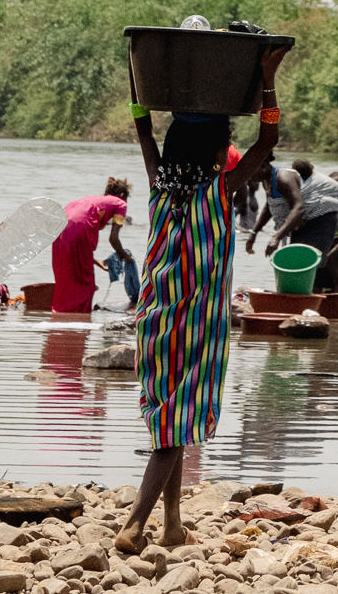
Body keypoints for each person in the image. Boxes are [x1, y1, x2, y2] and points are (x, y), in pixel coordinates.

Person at [116, 44, 291, 554]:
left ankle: (172, 523)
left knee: (172, 420)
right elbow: (270, 138)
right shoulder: (221, 190)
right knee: (176, 427)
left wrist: (137, 69)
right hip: (198, 326)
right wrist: (266, 75)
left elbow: (144, 128)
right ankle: (135, 524)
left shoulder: (157, 184)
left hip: (153, 321)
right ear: (218, 155)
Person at [51, 179, 133, 314]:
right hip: (79, 230)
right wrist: (125, 256)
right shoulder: (120, 203)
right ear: (123, 195)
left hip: (58, 232)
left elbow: (73, 237)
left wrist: (94, 261)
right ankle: (79, 323)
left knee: (65, 280)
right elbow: (113, 238)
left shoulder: (91, 200)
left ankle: (60, 317)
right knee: (85, 284)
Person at [248, 159, 338, 258]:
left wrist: (276, 237)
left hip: (321, 218)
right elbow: (270, 206)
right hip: (301, 222)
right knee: (293, 259)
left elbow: (299, 207)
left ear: (263, 167)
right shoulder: (267, 181)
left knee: (311, 263)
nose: (248, 175)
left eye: (250, 171)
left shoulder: (283, 178)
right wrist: (254, 233)